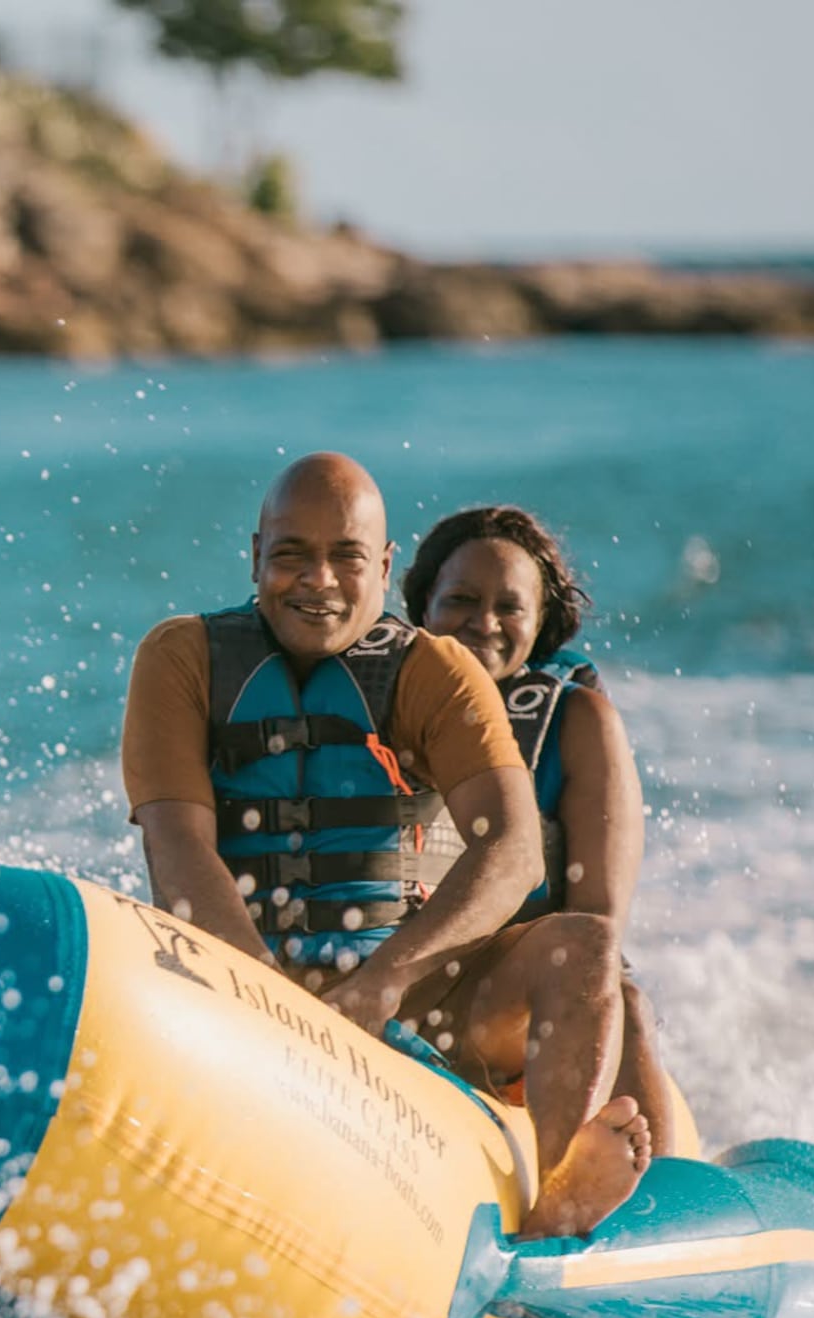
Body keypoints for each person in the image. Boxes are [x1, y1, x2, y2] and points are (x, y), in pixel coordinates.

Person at [120, 453, 650, 1238]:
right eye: (291, 554)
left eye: (346, 556)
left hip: (417, 1003)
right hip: (241, 982)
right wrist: (262, 1003)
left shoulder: (435, 672)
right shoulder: (181, 658)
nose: (318, 580)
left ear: (386, 566)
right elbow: (177, 844)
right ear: (256, 553)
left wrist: (385, 981)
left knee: (587, 946)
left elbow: (511, 850)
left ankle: (554, 1204)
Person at [403, 503, 681, 1154]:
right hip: (387, 988)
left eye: (510, 608)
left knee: (620, 990)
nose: (484, 623)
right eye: (462, 599)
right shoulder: (376, 702)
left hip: (505, 1008)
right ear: (423, 607)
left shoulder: (574, 723)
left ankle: (647, 1200)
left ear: (542, 624)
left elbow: (597, 920)